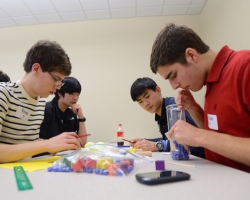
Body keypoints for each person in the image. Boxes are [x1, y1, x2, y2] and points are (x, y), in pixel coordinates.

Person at [150, 23, 250, 172]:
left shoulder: (245, 66)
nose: (174, 86)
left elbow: (209, 138)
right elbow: (220, 139)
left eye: (174, 75)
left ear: (191, 55)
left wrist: (199, 136)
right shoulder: (210, 83)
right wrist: (193, 108)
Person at [0, 40, 81, 163]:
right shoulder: (3, 93)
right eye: (56, 79)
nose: (58, 86)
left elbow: (26, 145)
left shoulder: (40, 103)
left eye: (61, 82)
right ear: (36, 68)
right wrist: (46, 144)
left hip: (28, 171)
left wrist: (61, 144)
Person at [129, 77, 205, 159]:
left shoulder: (175, 108)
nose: (145, 104)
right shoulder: (160, 113)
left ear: (158, 90)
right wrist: (143, 141)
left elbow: (191, 139)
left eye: (147, 96)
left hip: (203, 161)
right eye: (140, 101)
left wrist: (158, 146)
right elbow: (169, 139)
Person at [40, 77, 87, 147]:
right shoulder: (46, 110)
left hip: (66, 155)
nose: (75, 98)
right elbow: (38, 141)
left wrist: (81, 117)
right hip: (47, 156)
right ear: (60, 93)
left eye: (77, 94)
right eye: (72, 93)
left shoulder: (71, 113)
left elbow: (83, 144)